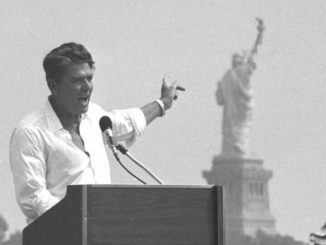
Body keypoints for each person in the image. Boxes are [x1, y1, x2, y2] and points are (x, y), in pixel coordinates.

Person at [9, 42, 182, 223]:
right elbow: (33, 198)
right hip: (59, 235)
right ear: (53, 85)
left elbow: (128, 122)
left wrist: (163, 103)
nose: (87, 87)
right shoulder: (31, 132)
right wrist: (81, 218)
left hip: (102, 232)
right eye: (77, 80)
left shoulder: (94, 116)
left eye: (89, 78)